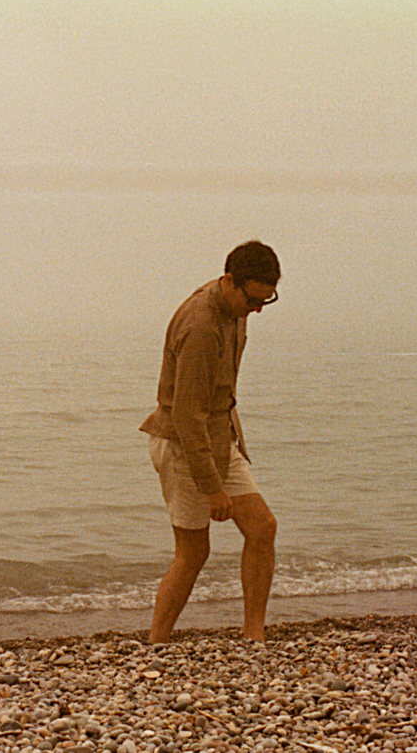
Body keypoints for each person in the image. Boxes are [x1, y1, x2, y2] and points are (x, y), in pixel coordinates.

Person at [139, 241, 280, 642]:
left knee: (262, 529)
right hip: (183, 442)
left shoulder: (238, 306)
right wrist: (213, 488)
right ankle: (157, 642)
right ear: (229, 282)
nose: (256, 310)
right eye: (253, 299)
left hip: (220, 434)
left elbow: (211, 405)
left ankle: (254, 635)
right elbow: (186, 416)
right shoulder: (201, 326)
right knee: (193, 553)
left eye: (266, 301)